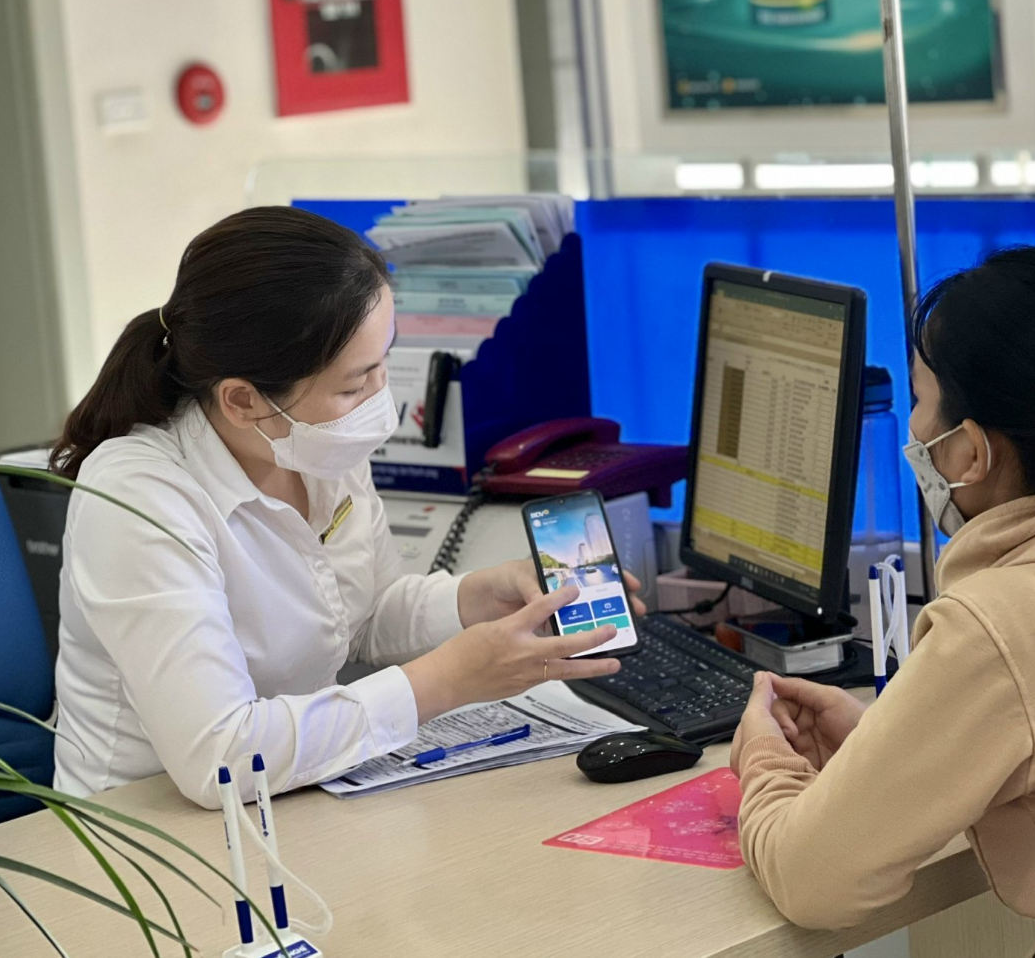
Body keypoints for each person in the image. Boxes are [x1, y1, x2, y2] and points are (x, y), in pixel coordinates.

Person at [50, 206, 633, 809]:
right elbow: (220, 758)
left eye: (385, 363)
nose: (380, 399)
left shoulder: (313, 444)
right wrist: (447, 680)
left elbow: (359, 618)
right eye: (354, 384)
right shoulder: (137, 495)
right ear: (243, 400)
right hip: (140, 827)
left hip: (292, 800)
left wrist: (479, 599)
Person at [728, 247, 1035, 956]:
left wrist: (764, 763)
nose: (914, 426)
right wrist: (895, 745)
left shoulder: (1007, 620)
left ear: (970, 451)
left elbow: (812, 880)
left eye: (920, 399)